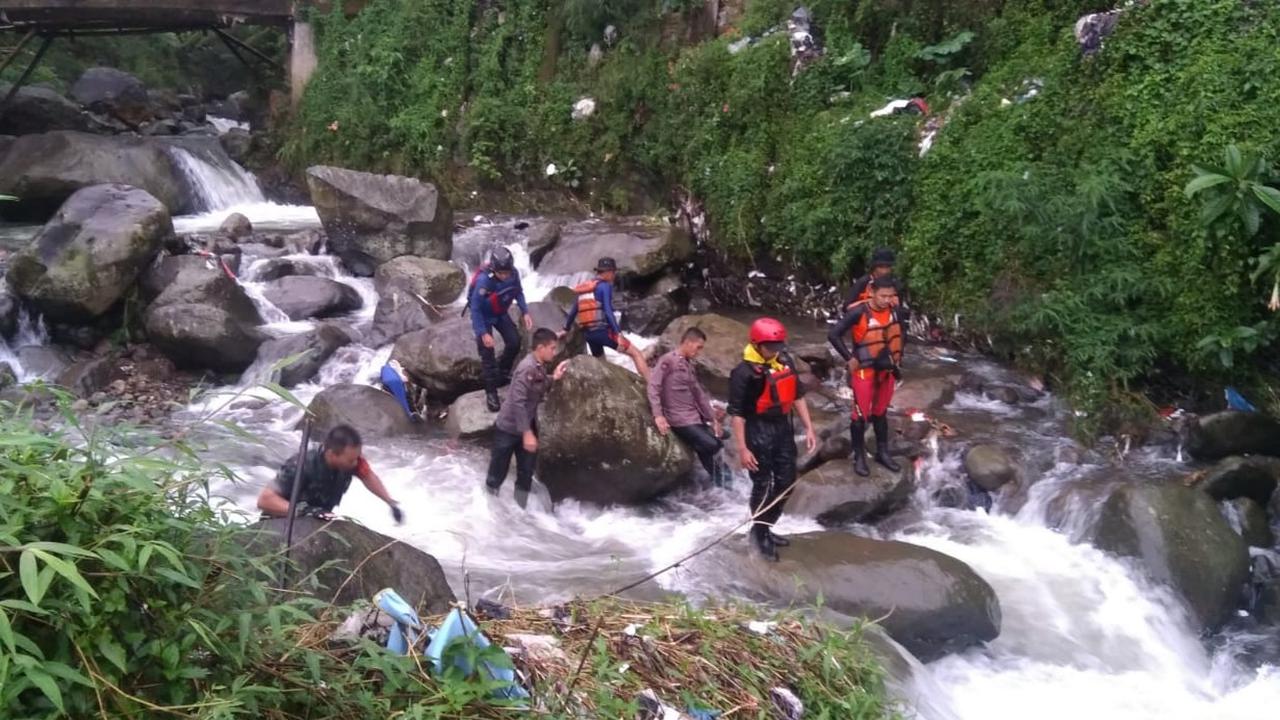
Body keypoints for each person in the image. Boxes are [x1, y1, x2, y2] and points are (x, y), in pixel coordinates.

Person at [728, 318, 817, 561]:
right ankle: (759, 532)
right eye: (770, 346)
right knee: (762, 483)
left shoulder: (784, 362)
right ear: (757, 345)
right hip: (757, 430)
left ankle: (766, 526)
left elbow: (797, 396)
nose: (775, 350)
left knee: (787, 481)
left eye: (778, 346)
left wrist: (809, 428)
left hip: (782, 429)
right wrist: (743, 449)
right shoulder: (743, 373)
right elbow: (736, 414)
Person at [828, 275, 905, 477]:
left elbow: (900, 335)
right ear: (871, 292)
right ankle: (859, 457)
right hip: (865, 369)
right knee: (860, 415)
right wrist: (848, 357)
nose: (887, 300)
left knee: (880, 413)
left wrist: (898, 361)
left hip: (886, 370)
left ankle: (882, 453)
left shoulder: (895, 311)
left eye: (891, 296)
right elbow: (833, 334)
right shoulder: (858, 312)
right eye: (883, 296)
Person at [486, 328, 569, 509]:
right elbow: (518, 402)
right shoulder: (526, 367)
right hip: (508, 430)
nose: (554, 353)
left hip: (525, 428)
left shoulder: (538, 366)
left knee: (525, 474)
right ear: (540, 348)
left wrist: (553, 377)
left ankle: (520, 513)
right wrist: (527, 433)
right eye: (552, 348)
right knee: (496, 475)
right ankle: (489, 511)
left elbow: (538, 383)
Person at [257, 425, 403, 523]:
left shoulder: (351, 463)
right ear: (332, 454)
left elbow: (368, 476)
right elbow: (265, 500)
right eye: (351, 460)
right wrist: (305, 511)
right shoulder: (301, 466)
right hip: (281, 524)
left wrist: (390, 502)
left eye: (357, 458)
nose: (356, 463)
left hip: (317, 522)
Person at [648, 326, 725, 482]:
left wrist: (713, 419)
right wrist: (658, 415)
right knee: (713, 445)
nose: (699, 352)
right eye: (698, 347)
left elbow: (698, 394)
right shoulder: (668, 360)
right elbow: (653, 386)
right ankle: (696, 446)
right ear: (689, 342)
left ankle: (723, 481)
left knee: (723, 435)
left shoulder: (688, 365)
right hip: (679, 419)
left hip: (694, 417)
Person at [561, 257, 650, 380]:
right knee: (636, 354)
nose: (614, 275)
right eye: (613, 272)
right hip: (602, 332)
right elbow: (608, 311)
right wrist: (618, 334)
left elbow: (573, 311)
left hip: (589, 335)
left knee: (602, 366)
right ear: (607, 272)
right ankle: (652, 386)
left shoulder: (585, 288)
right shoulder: (605, 286)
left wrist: (565, 329)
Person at [468, 246, 534, 412]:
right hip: (484, 316)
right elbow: (475, 308)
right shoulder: (485, 281)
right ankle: (491, 392)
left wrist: (525, 311)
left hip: (500, 312)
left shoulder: (514, 274)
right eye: (501, 273)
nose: (504, 276)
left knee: (514, 342)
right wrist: (483, 333)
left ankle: (502, 374)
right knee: (487, 354)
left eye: (507, 272)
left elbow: (518, 292)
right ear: (493, 269)